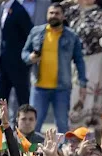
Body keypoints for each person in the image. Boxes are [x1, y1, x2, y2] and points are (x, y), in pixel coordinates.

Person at [22, 2, 87, 133]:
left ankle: (61, 152)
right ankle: (32, 152)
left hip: (61, 88)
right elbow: (24, 53)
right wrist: (30, 58)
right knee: (34, 125)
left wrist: (82, 83)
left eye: (57, 13)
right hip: (39, 87)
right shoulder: (36, 32)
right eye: (51, 13)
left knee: (62, 125)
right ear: (47, 15)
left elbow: (79, 61)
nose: (53, 16)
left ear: (63, 16)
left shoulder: (71, 36)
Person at [61, 0, 102, 131]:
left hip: (95, 58)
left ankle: (95, 135)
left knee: (94, 94)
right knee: (76, 94)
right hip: (76, 59)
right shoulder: (71, 10)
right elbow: (58, 8)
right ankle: (75, 133)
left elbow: (100, 34)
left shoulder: (101, 14)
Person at [0, 0, 33, 127]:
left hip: (18, 65)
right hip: (3, 63)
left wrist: (26, 56)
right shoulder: (2, 8)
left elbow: (30, 34)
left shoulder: (19, 10)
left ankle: (25, 129)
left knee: (22, 97)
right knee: (0, 97)